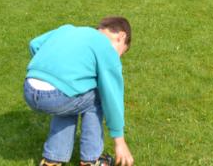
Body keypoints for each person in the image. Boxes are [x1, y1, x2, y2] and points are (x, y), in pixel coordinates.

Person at [24, 16, 135, 166]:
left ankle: (52, 161)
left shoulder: (69, 29)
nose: (118, 57)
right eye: (121, 52)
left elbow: (35, 44)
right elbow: (112, 97)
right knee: (97, 95)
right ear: (121, 36)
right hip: (56, 96)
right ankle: (91, 160)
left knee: (72, 96)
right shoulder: (106, 47)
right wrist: (119, 141)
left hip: (29, 88)